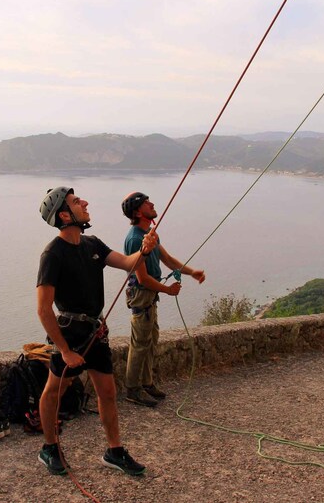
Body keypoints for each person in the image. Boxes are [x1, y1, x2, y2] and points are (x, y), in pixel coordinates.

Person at [36, 186, 159, 477]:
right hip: (70, 333)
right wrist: (65, 351)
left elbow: (128, 264)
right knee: (54, 391)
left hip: (95, 330)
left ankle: (114, 451)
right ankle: (49, 447)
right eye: (77, 202)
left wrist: (144, 250)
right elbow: (43, 309)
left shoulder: (92, 244)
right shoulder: (52, 254)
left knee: (108, 392)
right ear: (64, 214)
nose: (85, 202)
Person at [121, 191, 205, 407]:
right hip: (143, 295)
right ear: (138, 212)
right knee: (140, 343)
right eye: (146, 203)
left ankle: (146, 383)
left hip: (150, 296)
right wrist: (168, 290)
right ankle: (132, 389)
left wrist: (192, 272)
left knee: (150, 341)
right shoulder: (135, 240)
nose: (152, 204)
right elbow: (143, 278)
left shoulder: (150, 234)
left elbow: (167, 259)